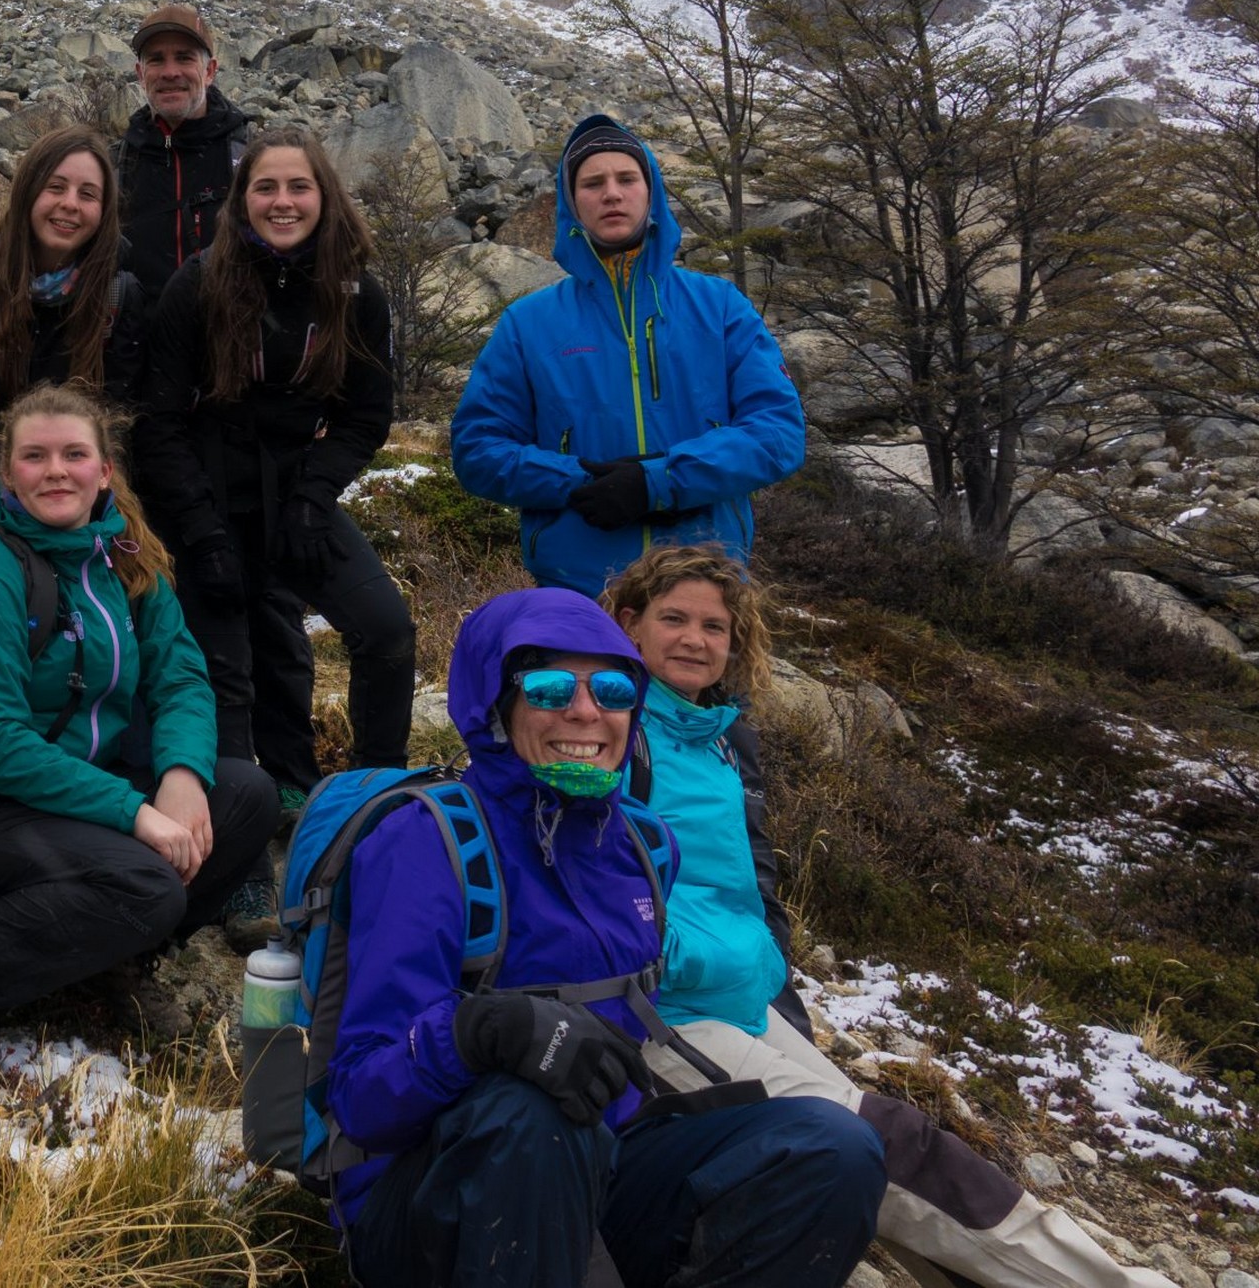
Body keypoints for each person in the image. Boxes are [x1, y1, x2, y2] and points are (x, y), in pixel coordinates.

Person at [608, 548, 1179, 1288]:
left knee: (900, 1152)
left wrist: (767, 964)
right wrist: (710, 960)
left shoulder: (715, 736)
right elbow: (607, 887)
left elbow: (746, 873)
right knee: (878, 1138)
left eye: (714, 626)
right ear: (629, 623)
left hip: (735, 995)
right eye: (673, 619)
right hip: (661, 1009)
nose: (695, 639)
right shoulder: (617, 725)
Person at [325, 584, 888, 1288]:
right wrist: (479, 1032)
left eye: (615, 688)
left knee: (833, 1147)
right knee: (528, 1110)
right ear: (495, 707)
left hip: (597, 1168)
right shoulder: (426, 841)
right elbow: (361, 1100)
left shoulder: (644, 847)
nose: (587, 711)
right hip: (427, 1202)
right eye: (551, 686)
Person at [0, 383, 278, 1044]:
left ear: (104, 470)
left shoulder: (125, 560)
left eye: (73, 454)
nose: (56, 470)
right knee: (148, 885)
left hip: (75, 795)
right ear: (7, 473)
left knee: (246, 798)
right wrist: (134, 813)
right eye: (34, 456)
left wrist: (181, 774)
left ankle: (105, 960)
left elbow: (182, 678)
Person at [136, 128, 417, 937]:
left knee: (386, 631)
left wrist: (313, 494)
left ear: (324, 197)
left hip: (299, 492)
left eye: (299, 187)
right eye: (267, 188)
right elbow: (159, 423)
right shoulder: (199, 285)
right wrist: (201, 533)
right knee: (224, 672)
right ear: (243, 199)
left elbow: (368, 413)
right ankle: (243, 868)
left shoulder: (353, 290)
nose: (283, 202)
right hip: (210, 494)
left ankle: (375, 805)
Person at [451, 114, 805, 596]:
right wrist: (577, 480)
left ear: (650, 190)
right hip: (579, 590)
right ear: (572, 203)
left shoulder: (720, 307)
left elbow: (778, 434)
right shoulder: (529, 323)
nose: (611, 194)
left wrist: (657, 482)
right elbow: (477, 450)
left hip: (706, 588)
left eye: (626, 179)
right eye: (592, 183)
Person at [0, 124, 148, 466]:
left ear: (105, 209)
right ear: (28, 192)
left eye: (88, 194)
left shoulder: (119, 299)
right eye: (56, 187)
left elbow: (124, 416)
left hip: (72, 496)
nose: (70, 204)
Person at [117, 2, 252, 297]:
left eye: (184, 58)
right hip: (140, 338)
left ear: (209, 71)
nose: (170, 72)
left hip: (229, 334)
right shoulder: (117, 161)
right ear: (140, 73)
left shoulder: (248, 156)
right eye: (156, 60)